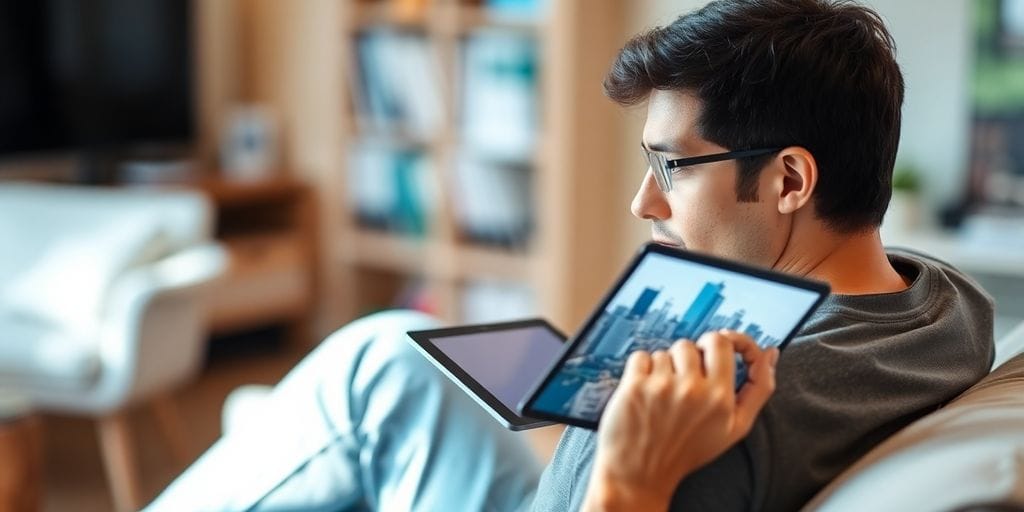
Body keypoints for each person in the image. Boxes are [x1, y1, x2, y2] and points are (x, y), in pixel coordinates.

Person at [147, 0, 995, 510]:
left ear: (789, 181)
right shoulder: (945, 304)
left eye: (670, 165)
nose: (644, 202)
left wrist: (624, 465)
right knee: (393, 349)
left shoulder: (718, 424)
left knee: (361, 380)